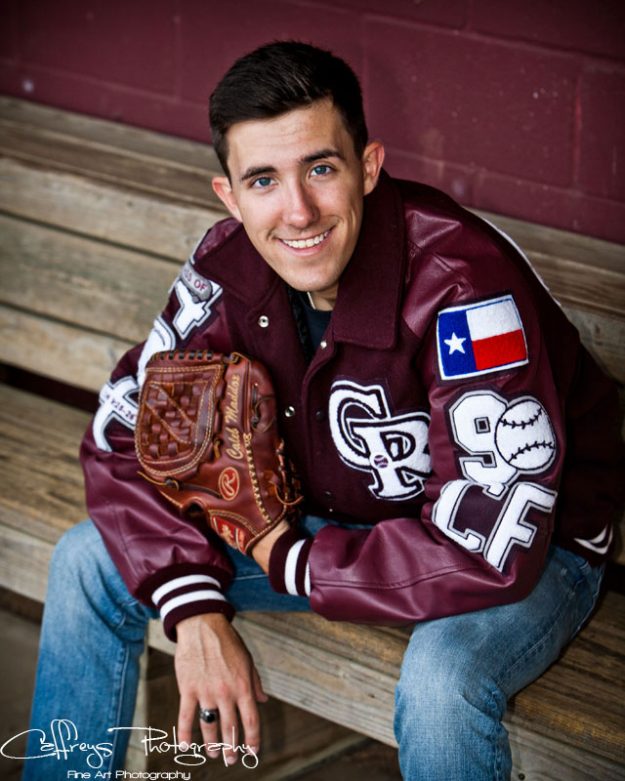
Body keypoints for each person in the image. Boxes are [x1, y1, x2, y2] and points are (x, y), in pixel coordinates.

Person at [22, 41, 623, 780]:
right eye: (263, 180)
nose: (297, 210)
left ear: (368, 167)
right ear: (229, 196)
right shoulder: (224, 267)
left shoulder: (465, 289)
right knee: (86, 559)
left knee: (441, 687)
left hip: (529, 545)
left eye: (320, 168)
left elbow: (490, 543)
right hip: (333, 529)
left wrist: (294, 557)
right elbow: (120, 438)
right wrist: (195, 609)